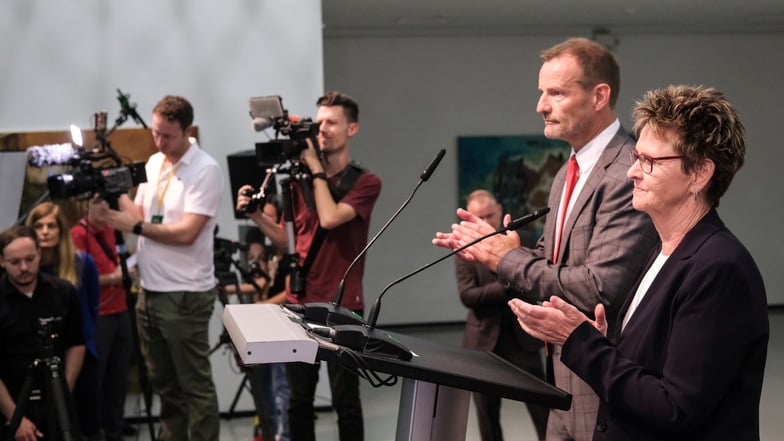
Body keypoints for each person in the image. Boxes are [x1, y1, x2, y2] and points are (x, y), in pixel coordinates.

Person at [509, 85, 768, 441]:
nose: (632, 172)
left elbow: (674, 408)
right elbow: (657, 361)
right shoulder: (662, 251)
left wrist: (581, 342)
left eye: (649, 161)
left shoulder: (719, 269)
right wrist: (605, 342)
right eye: (635, 157)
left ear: (700, 174)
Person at [433, 37, 657, 441]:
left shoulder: (627, 170)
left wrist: (508, 258)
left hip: (602, 378)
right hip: (560, 372)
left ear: (599, 96)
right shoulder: (564, 173)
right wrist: (493, 250)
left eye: (556, 93)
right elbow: (555, 261)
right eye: (542, 93)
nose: (541, 105)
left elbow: (598, 287)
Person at [237, 91, 381, 441]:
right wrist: (256, 215)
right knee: (299, 401)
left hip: (344, 307)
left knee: (346, 402)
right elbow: (290, 240)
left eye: (332, 122)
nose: (323, 129)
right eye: (320, 122)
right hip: (298, 304)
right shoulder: (299, 182)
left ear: (352, 129)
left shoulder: (364, 182)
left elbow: (330, 219)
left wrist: (315, 168)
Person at [94, 95, 223, 441]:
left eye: (167, 136)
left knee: (194, 385)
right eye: (155, 133)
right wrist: (109, 195)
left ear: (186, 131)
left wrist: (134, 227)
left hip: (185, 293)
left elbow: (186, 233)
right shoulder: (154, 163)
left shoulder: (204, 169)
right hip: (150, 290)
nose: (160, 142)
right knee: (164, 384)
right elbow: (139, 215)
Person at [456, 190, 548, 441]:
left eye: (490, 215)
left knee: (543, 410)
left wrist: (513, 277)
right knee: (487, 415)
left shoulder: (525, 239)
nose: (486, 221)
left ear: (499, 209)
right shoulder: (466, 247)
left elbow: (537, 281)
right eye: (480, 217)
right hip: (483, 340)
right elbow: (468, 296)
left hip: (522, 338)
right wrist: (511, 280)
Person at [0, 225, 85, 441]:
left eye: (30, 259)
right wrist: (14, 416)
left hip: (56, 396)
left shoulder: (63, 291)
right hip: (10, 399)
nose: (24, 267)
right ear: (1, 261)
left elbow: (76, 343)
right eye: (15, 262)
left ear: (39, 254)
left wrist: (64, 392)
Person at [26, 202, 102, 440]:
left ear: (61, 230)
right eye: (39, 226)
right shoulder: (25, 269)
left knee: (82, 420)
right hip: (35, 354)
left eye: (51, 225)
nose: (45, 231)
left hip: (79, 351)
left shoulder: (83, 264)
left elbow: (91, 305)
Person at [71, 198, 134, 441]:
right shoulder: (77, 234)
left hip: (121, 309)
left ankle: (115, 428)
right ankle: (93, 429)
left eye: (107, 202)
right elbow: (80, 277)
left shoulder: (112, 231)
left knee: (118, 378)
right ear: (85, 204)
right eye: (97, 202)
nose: (104, 207)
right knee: (95, 377)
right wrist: (115, 277)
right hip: (99, 315)